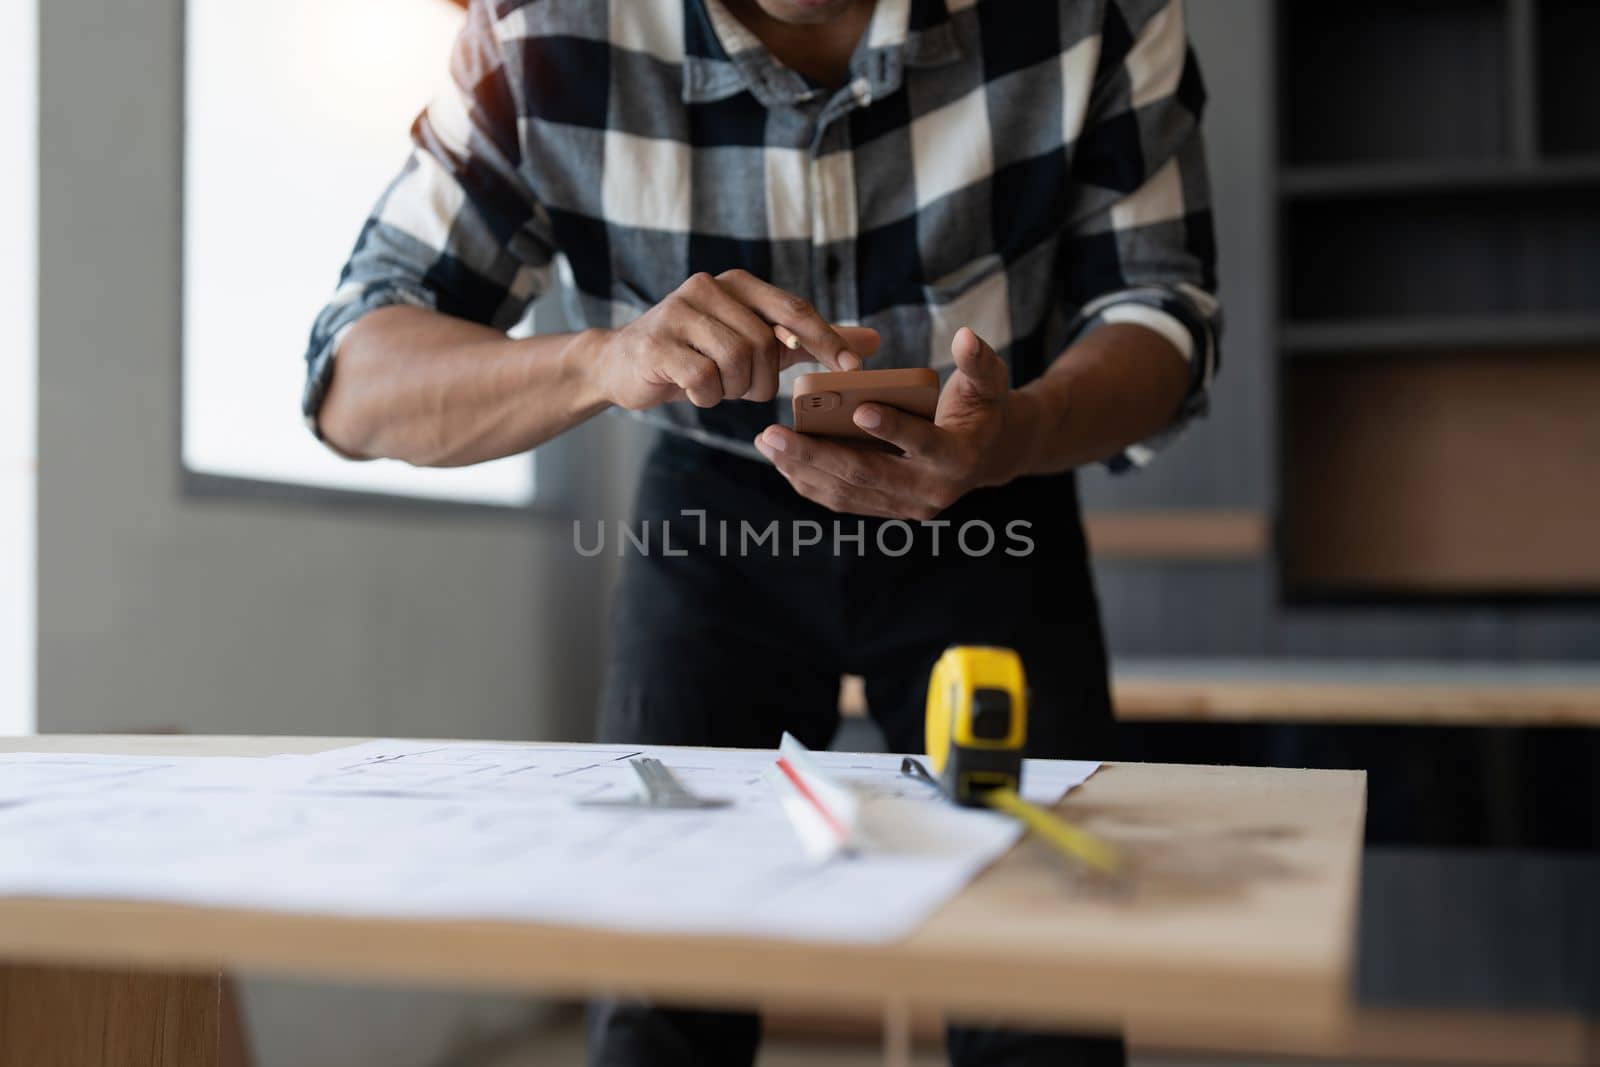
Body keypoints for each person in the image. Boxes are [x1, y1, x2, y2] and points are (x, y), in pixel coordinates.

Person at [305, 0, 1219, 1063]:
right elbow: (351, 381)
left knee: (1039, 970)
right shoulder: (537, 35)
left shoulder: (1098, 15)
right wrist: (597, 360)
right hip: (711, 505)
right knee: (663, 982)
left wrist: (1017, 432)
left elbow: (1161, 307)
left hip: (991, 488)